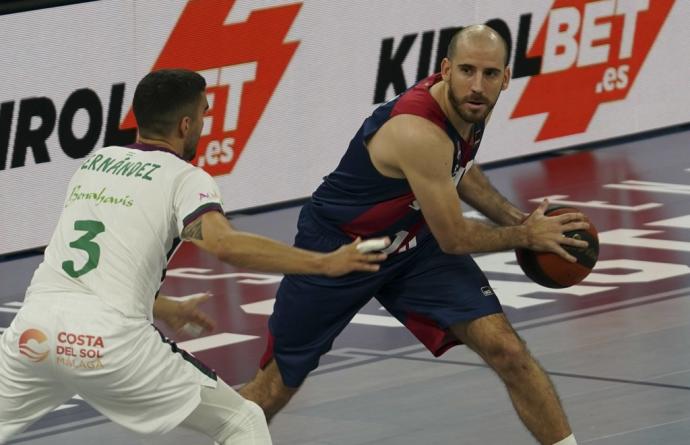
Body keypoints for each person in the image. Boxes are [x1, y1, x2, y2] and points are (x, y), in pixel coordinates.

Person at [0, 69, 387, 445]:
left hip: (34, 332)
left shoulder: (93, 164)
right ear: (185, 125)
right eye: (204, 112)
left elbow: (85, 261)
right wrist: (324, 262)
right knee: (242, 420)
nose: (205, 121)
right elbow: (224, 245)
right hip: (111, 345)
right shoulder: (185, 178)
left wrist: (162, 304)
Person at [240, 25, 586, 445]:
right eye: (467, 70)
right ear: (445, 70)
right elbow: (455, 237)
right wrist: (525, 236)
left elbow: (457, 169)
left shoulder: (473, 105)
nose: (478, 85)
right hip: (342, 249)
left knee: (508, 351)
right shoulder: (417, 129)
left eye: (490, 74)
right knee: (275, 387)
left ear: (506, 77)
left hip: (414, 245)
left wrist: (518, 217)